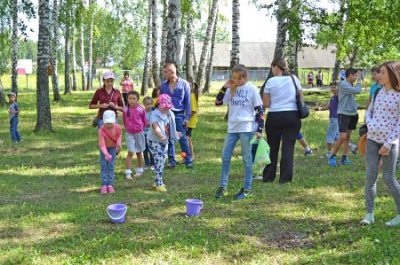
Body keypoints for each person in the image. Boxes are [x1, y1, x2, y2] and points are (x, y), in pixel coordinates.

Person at [214, 64, 264, 200]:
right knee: (225, 156)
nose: (235, 81)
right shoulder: (231, 89)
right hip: (232, 128)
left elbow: (260, 110)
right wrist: (225, 87)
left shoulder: (252, 89)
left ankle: (247, 188)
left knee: (247, 159)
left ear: (245, 77)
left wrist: (260, 129)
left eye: (238, 78)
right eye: (233, 78)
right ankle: (223, 186)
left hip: (247, 128)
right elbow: (218, 103)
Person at [360, 61, 400, 226]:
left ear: (392, 74)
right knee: (370, 177)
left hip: (389, 143)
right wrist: (370, 125)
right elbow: (369, 112)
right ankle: (369, 214)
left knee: (389, 178)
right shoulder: (378, 92)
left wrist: (388, 144)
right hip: (372, 140)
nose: (379, 75)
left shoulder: (399, 95)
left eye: (383, 72)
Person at [262, 58, 302, 184]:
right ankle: (285, 178)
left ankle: (268, 177)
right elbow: (301, 97)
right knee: (288, 148)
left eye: (272, 68)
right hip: (292, 115)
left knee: (272, 147)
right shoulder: (294, 79)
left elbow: (266, 103)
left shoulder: (270, 82)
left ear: (276, 67)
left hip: (275, 116)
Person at [160, 63, 193, 169]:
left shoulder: (184, 84)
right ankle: (171, 161)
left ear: (172, 71)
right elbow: (161, 101)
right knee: (169, 138)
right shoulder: (163, 86)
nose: (164, 74)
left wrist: (187, 118)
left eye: (165, 72)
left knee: (182, 137)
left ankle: (188, 160)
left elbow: (188, 102)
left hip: (179, 114)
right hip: (167, 114)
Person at [147, 94, 180, 192]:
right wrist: (161, 136)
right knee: (159, 161)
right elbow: (156, 127)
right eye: (165, 107)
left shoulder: (168, 113)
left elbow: (169, 126)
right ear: (158, 105)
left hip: (164, 141)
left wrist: (175, 132)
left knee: (162, 160)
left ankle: (157, 181)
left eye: (168, 107)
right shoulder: (154, 115)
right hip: (154, 142)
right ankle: (158, 183)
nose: (167, 109)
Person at [328, 68, 361, 167]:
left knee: (347, 137)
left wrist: (355, 106)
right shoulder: (343, 84)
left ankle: (344, 158)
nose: (356, 78)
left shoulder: (349, 84)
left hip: (353, 114)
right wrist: (359, 82)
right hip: (344, 114)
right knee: (342, 136)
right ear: (350, 75)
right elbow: (357, 91)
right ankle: (332, 156)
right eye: (355, 76)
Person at [123, 91, 147, 180]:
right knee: (130, 152)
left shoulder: (141, 109)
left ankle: (139, 170)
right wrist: (128, 128)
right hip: (129, 133)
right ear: (127, 99)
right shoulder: (125, 109)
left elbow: (144, 121)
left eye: (134, 99)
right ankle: (128, 172)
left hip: (139, 133)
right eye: (130, 98)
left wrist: (141, 128)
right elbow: (124, 120)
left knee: (139, 152)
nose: (132, 100)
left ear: (137, 99)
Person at [98, 110, 122, 194]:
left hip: (112, 148)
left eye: (111, 123)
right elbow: (102, 144)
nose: (109, 125)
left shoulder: (117, 127)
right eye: (107, 123)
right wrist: (105, 153)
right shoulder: (101, 130)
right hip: (104, 150)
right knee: (104, 166)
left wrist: (118, 144)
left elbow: (119, 136)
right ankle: (104, 184)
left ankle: (110, 184)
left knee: (111, 166)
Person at [187, 82, 199, 161]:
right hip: (187, 121)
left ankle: (191, 155)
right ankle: (187, 156)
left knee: (187, 139)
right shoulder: (188, 96)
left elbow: (193, 111)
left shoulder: (191, 96)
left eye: (189, 85)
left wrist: (186, 118)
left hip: (189, 122)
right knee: (186, 139)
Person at [143, 96, 155, 170]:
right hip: (143, 133)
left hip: (151, 134)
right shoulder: (142, 112)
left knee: (151, 149)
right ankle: (146, 164)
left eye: (151, 104)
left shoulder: (154, 112)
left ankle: (153, 163)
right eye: (147, 104)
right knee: (145, 149)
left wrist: (150, 124)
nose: (149, 106)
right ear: (144, 104)